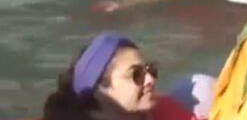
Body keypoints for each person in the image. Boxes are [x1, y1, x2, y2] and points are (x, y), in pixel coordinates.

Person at [42, 32, 200, 120]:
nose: (150, 79)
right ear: (100, 89)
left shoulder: (160, 111)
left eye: (150, 69)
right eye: (136, 74)